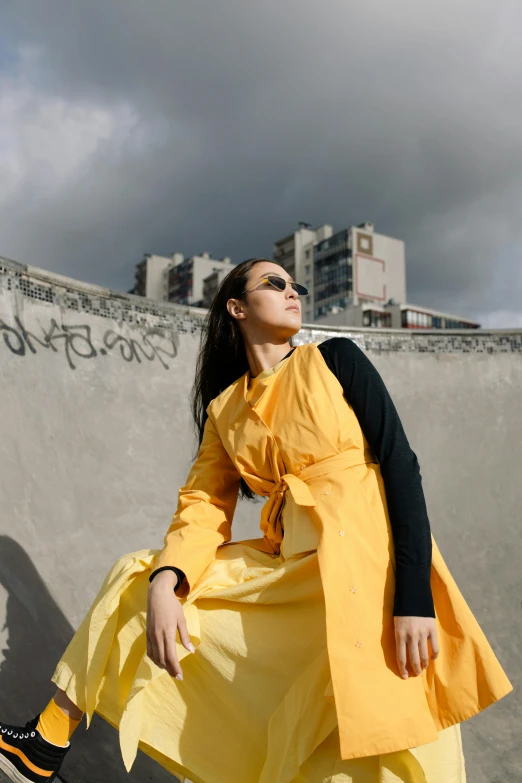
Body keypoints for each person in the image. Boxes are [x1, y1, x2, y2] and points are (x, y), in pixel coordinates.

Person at [0, 257, 512, 783]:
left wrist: (413, 598)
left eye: (296, 285)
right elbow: (202, 505)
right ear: (237, 307)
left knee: (395, 745)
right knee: (138, 579)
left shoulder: (336, 360)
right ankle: (49, 736)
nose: (293, 292)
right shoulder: (226, 412)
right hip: (291, 580)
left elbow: (401, 466)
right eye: (275, 283)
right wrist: (167, 580)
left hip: (371, 574)